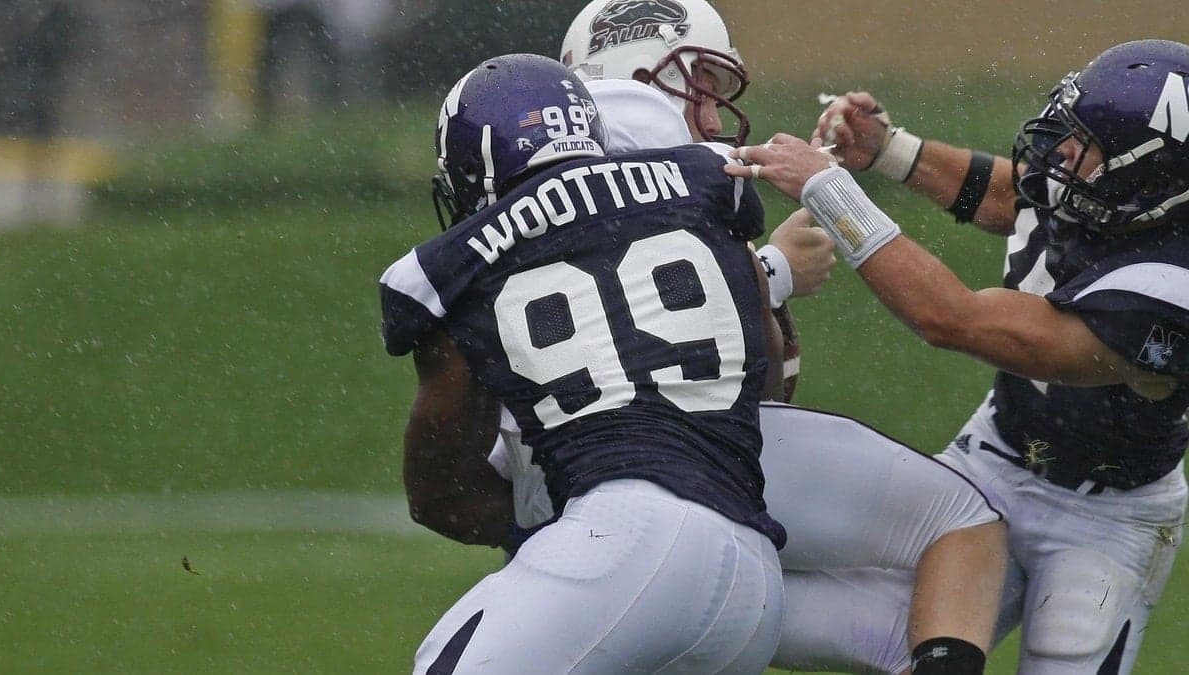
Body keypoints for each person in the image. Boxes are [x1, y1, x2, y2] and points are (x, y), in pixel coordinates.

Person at [482, 3, 1009, 674]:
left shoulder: (518, 186)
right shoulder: (678, 170)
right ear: (640, 74)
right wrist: (772, 271)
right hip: (663, 459)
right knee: (959, 520)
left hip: (553, 490)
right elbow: (689, 343)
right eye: (702, 86)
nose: (712, 115)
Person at [728, 38, 1189, 674]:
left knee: (1066, 654)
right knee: (883, 638)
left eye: (1087, 145)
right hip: (995, 454)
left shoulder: (1169, 290)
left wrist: (831, 193)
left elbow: (953, 319)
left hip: (1106, 515)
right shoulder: (1110, 192)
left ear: (1149, 178)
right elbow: (1014, 197)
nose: (1061, 151)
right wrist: (891, 151)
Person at [383, 52, 790, 673]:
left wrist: (540, 518)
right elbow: (767, 383)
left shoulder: (453, 268)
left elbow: (441, 498)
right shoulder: (709, 181)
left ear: (471, 171)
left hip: (623, 540)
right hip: (753, 582)